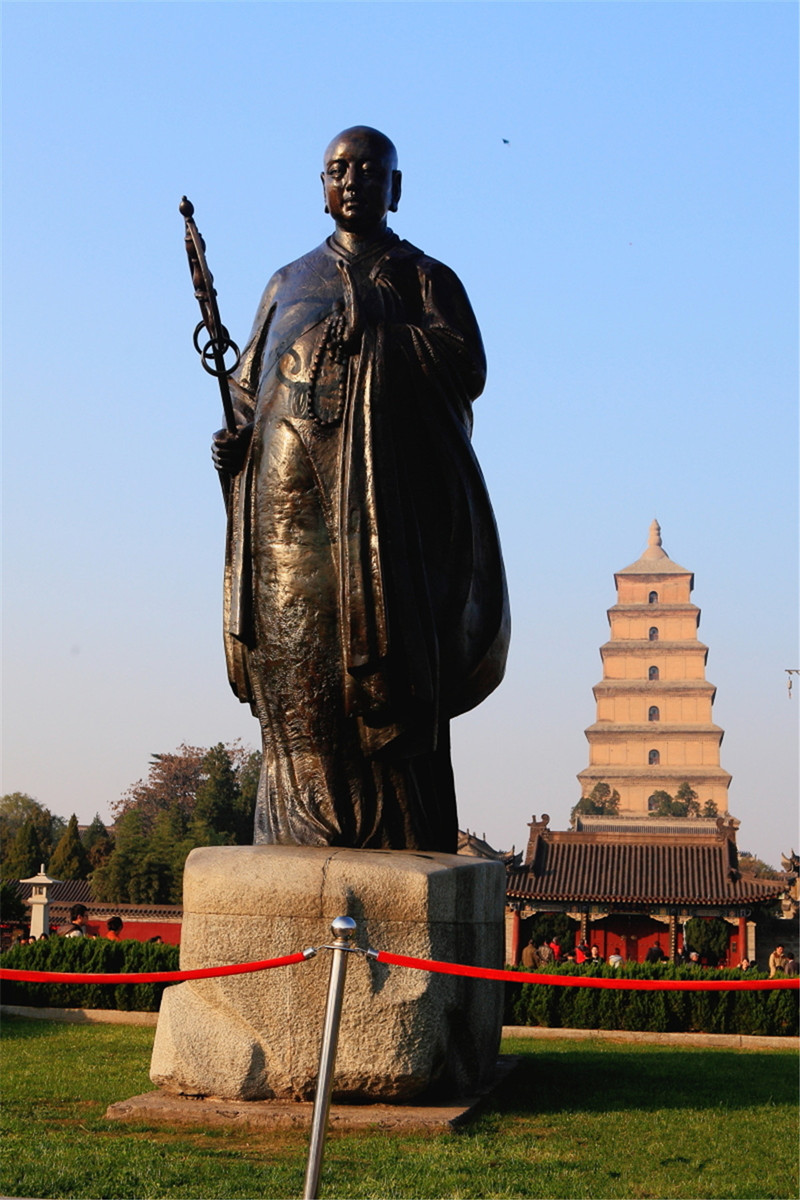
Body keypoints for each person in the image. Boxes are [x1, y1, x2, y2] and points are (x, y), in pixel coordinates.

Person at [212, 127, 509, 852]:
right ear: (321, 186)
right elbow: (248, 392)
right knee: (298, 674)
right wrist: (236, 448)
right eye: (337, 170)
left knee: (386, 680)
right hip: (287, 514)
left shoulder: (423, 277)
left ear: (395, 188)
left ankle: (396, 834)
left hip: (385, 516)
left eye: (369, 170)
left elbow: (465, 367)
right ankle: (294, 833)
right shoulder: (286, 283)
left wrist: (381, 331)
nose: (351, 181)